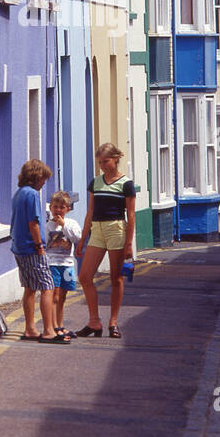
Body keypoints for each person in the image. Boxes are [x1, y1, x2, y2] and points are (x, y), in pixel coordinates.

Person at [75, 143, 136, 339]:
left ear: (116, 159)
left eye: (106, 162)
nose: (102, 166)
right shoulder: (95, 182)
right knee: (85, 276)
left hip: (116, 229)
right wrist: (83, 239)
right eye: (100, 162)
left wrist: (128, 244)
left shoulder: (126, 184)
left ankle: (113, 322)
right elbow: (90, 211)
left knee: (115, 278)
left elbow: (131, 215)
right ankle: (94, 321)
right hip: (97, 230)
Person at [11, 159, 70, 344]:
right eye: (43, 178)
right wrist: (40, 247)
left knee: (29, 287)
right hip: (31, 246)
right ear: (36, 177)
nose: (44, 182)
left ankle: (30, 329)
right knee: (47, 286)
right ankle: (48, 331)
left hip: (18, 246)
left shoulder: (19, 193)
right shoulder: (33, 194)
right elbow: (34, 223)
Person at [45, 191, 82, 338]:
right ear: (51, 208)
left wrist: (64, 225)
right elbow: (45, 243)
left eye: (61, 207)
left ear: (68, 208)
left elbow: (76, 237)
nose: (58, 210)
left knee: (63, 296)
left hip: (67, 264)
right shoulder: (48, 226)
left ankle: (60, 325)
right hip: (52, 263)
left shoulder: (71, 223)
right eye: (55, 207)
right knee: (55, 295)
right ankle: (54, 326)